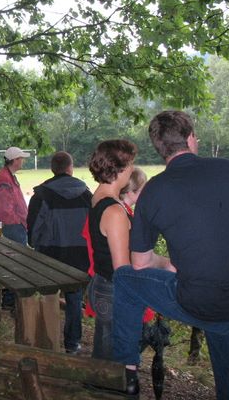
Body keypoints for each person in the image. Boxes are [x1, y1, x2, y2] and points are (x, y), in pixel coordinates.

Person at [113, 110, 229, 399]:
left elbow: (140, 263)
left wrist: (170, 264)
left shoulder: (154, 190)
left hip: (206, 302)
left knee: (125, 280)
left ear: (159, 148)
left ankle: (127, 371)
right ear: (191, 138)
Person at [27, 151, 92, 354]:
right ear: (70, 168)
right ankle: (72, 343)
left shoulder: (41, 195)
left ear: (53, 169)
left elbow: (33, 229)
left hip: (49, 256)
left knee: (47, 296)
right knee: (75, 300)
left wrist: (36, 245)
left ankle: (47, 341)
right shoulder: (87, 195)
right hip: (80, 256)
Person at [85, 141, 138, 363]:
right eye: (131, 163)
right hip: (113, 289)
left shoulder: (99, 196)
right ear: (120, 168)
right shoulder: (114, 211)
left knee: (104, 350)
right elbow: (122, 269)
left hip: (102, 283)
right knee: (114, 358)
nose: (133, 169)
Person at [0, 146, 30, 245]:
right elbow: (4, 209)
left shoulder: (8, 175)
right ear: (15, 160)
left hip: (15, 227)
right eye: (21, 158)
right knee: (17, 254)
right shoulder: (4, 178)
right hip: (13, 228)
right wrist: (19, 222)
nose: (23, 161)